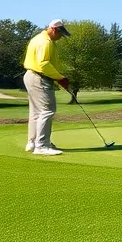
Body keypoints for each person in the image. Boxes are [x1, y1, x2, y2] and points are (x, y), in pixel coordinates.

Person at [23, 20, 71, 155]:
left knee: (36, 112)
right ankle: (42, 145)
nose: (61, 37)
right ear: (54, 30)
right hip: (40, 77)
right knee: (47, 110)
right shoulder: (46, 42)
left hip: (31, 76)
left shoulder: (37, 38)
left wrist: (57, 78)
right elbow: (43, 64)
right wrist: (60, 78)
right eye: (60, 34)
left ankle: (33, 142)